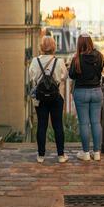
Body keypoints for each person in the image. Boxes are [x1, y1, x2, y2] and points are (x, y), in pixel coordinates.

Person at [29, 35, 69, 164]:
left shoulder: (35, 61)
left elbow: (32, 77)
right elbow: (64, 76)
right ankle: (61, 155)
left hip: (40, 98)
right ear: (54, 47)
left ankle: (41, 155)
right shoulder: (60, 61)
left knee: (42, 125)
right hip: (56, 97)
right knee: (58, 125)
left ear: (41, 47)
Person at [69, 33, 104, 161]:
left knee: (84, 123)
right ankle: (97, 152)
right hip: (96, 91)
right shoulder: (99, 56)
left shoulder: (77, 59)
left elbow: (71, 75)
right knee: (96, 122)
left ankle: (85, 153)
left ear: (79, 44)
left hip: (81, 92)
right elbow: (100, 70)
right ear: (91, 42)